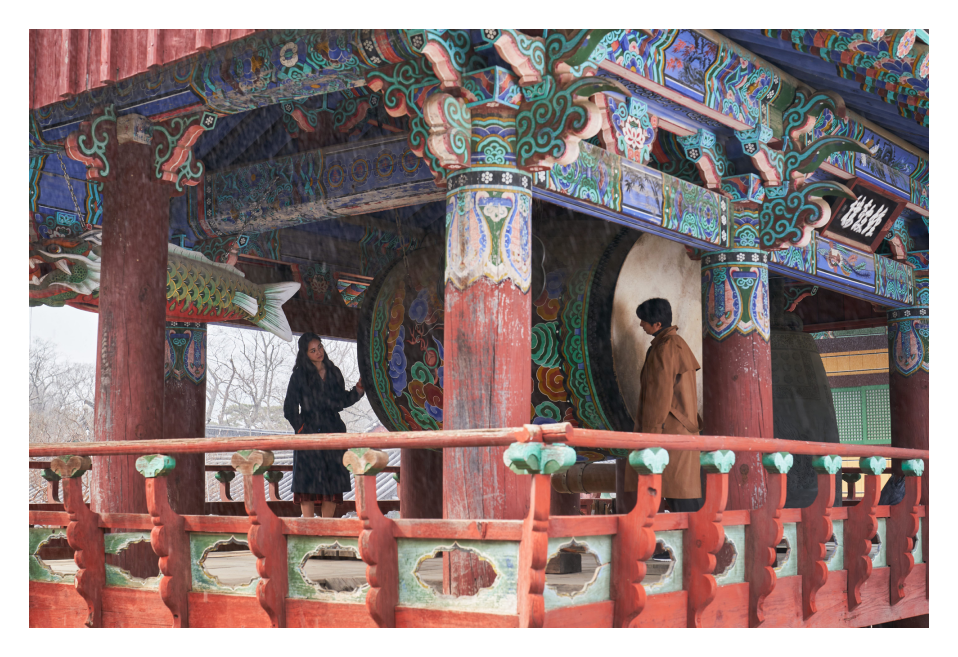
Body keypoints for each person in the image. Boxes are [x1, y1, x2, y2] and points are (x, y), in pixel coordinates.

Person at [284, 333, 365, 518]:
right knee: (307, 485)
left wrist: (358, 391)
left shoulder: (334, 372)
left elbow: (341, 400)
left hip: (333, 430)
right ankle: (307, 528)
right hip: (309, 434)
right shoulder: (299, 375)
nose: (318, 352)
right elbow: (289, 408)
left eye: (319, 347)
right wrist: (301, 428)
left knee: (332, 484)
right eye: (313, 350)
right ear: (305, 354)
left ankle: (326, 528)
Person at [634, 298, 703, 513]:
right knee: (682, 495)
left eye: (644, 321)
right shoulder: (676, 343)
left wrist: (650, 437)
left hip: (670, 431)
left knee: (679, 498)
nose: (641, 324)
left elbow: (659, 397)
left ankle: (696, 535)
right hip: (681, 430)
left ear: (657, 324)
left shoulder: (665, 349)